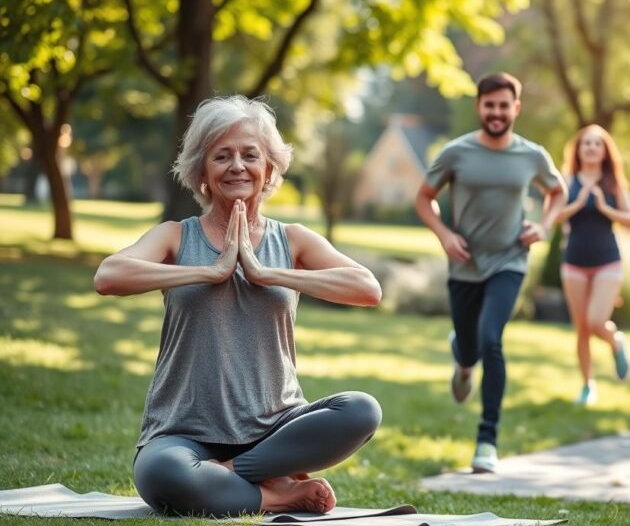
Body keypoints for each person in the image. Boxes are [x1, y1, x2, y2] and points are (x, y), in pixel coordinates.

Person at [93, 96, 383, 517]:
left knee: (361, 410)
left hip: (275, 428)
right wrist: (209, 272)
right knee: (162, 475)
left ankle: (225, 475)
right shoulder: (176, 236)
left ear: (268, 169)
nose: (237, 166)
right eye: (221, 156)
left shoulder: (294, 239)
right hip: (183, 430)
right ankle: (276, 493)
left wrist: (269, 274)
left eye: (250, 155)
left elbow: (367, 288)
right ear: (202, 171)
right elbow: (108, 276)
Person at [414, 73, 566, 473]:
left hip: (510, 261)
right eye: (489, 105)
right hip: (464, 265)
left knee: (491, 339)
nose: (497, 113)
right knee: (470, 345)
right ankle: (463, 361)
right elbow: (424, 198)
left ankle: (487, 439)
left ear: (516, 108)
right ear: (479, 106)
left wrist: (545, 227)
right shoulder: (456, 153)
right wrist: (444, 234)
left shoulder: (532, 155)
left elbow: (558, 191)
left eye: (504, 105)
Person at [556, 124, 630, 406]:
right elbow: (553, 217)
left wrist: (606, 209)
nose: (590, 148)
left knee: (594, 322)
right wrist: (577, 203)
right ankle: (587, 386)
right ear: (578, 150)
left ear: (605, 151)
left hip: (607, 261)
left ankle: (616, 342)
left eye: (597, 144)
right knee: (581, 328)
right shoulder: (568, 180)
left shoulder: (613, 182)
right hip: (574, 263)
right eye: (586, 143)